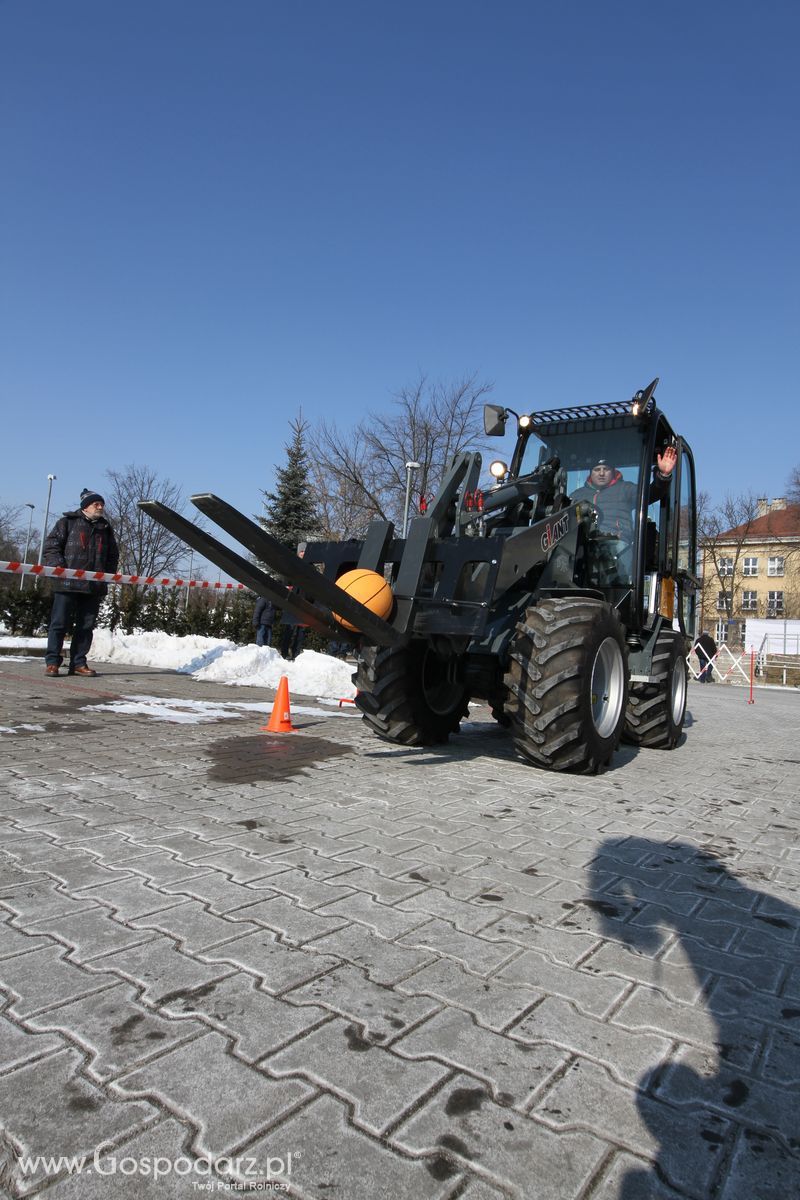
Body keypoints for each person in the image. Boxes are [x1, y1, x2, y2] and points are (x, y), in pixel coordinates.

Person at [42, 488, 119, 678]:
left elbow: (113, 555)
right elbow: (51, 548)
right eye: (96, 504)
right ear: (86, 506)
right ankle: (52, 662)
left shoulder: (105, 528)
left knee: (86, 627)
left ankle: (78, 663)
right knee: (59, 624)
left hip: (93, 586)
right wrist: (60, 570)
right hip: (67, 584)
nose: (100, 507)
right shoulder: (66, 523)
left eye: (102, 504)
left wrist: (105, 575)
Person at [571, 444, 678, 540]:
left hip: (616, 544)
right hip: (583, 545)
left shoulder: (625, 489)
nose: (602, 473)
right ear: (591, 473)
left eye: (606, 469)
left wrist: (663, 475)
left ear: (613, 472)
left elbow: (651, 494)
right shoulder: (577, 495)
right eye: (597, 470)